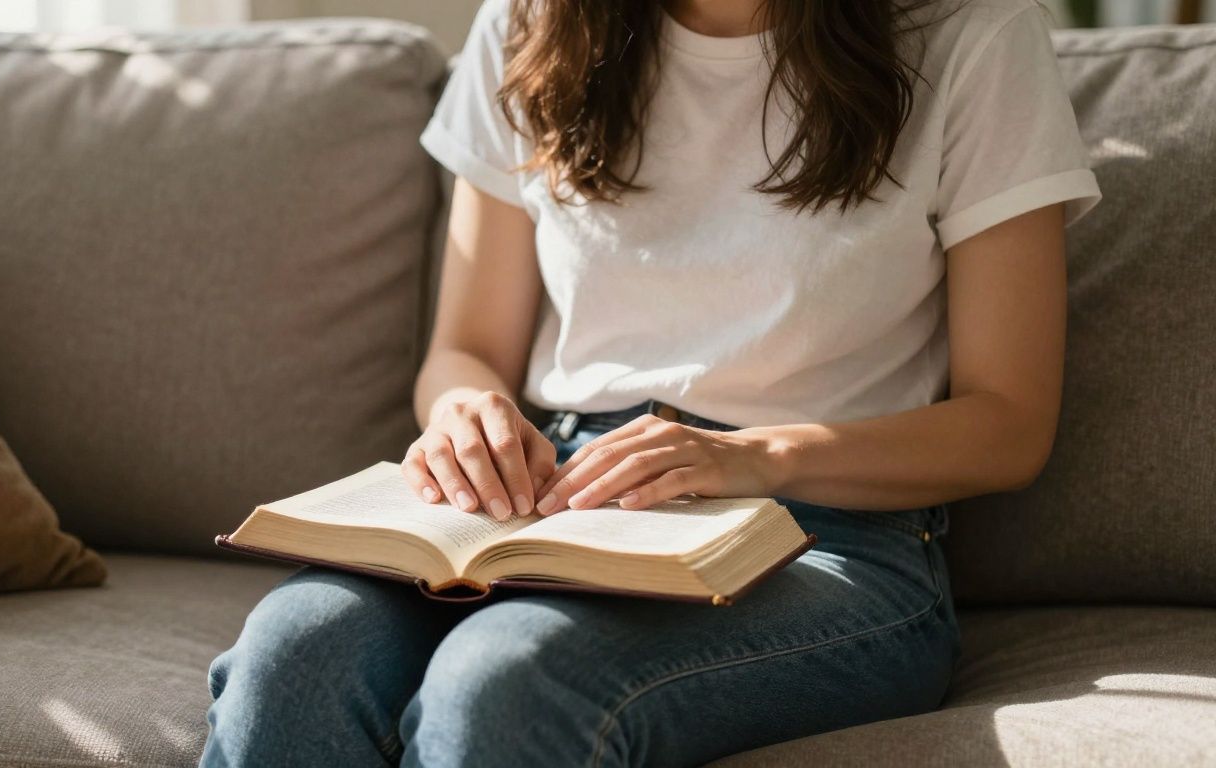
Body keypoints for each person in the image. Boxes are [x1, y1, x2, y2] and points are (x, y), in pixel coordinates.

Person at [199, 0, 1100, 765]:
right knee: (296, 651)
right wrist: (467, 410)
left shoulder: (973, 31)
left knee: (506, 678)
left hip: (825, 535)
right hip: (558, 497)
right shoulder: (535, 20)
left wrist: (751, 457)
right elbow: (466, 348)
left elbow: (1009, 423)